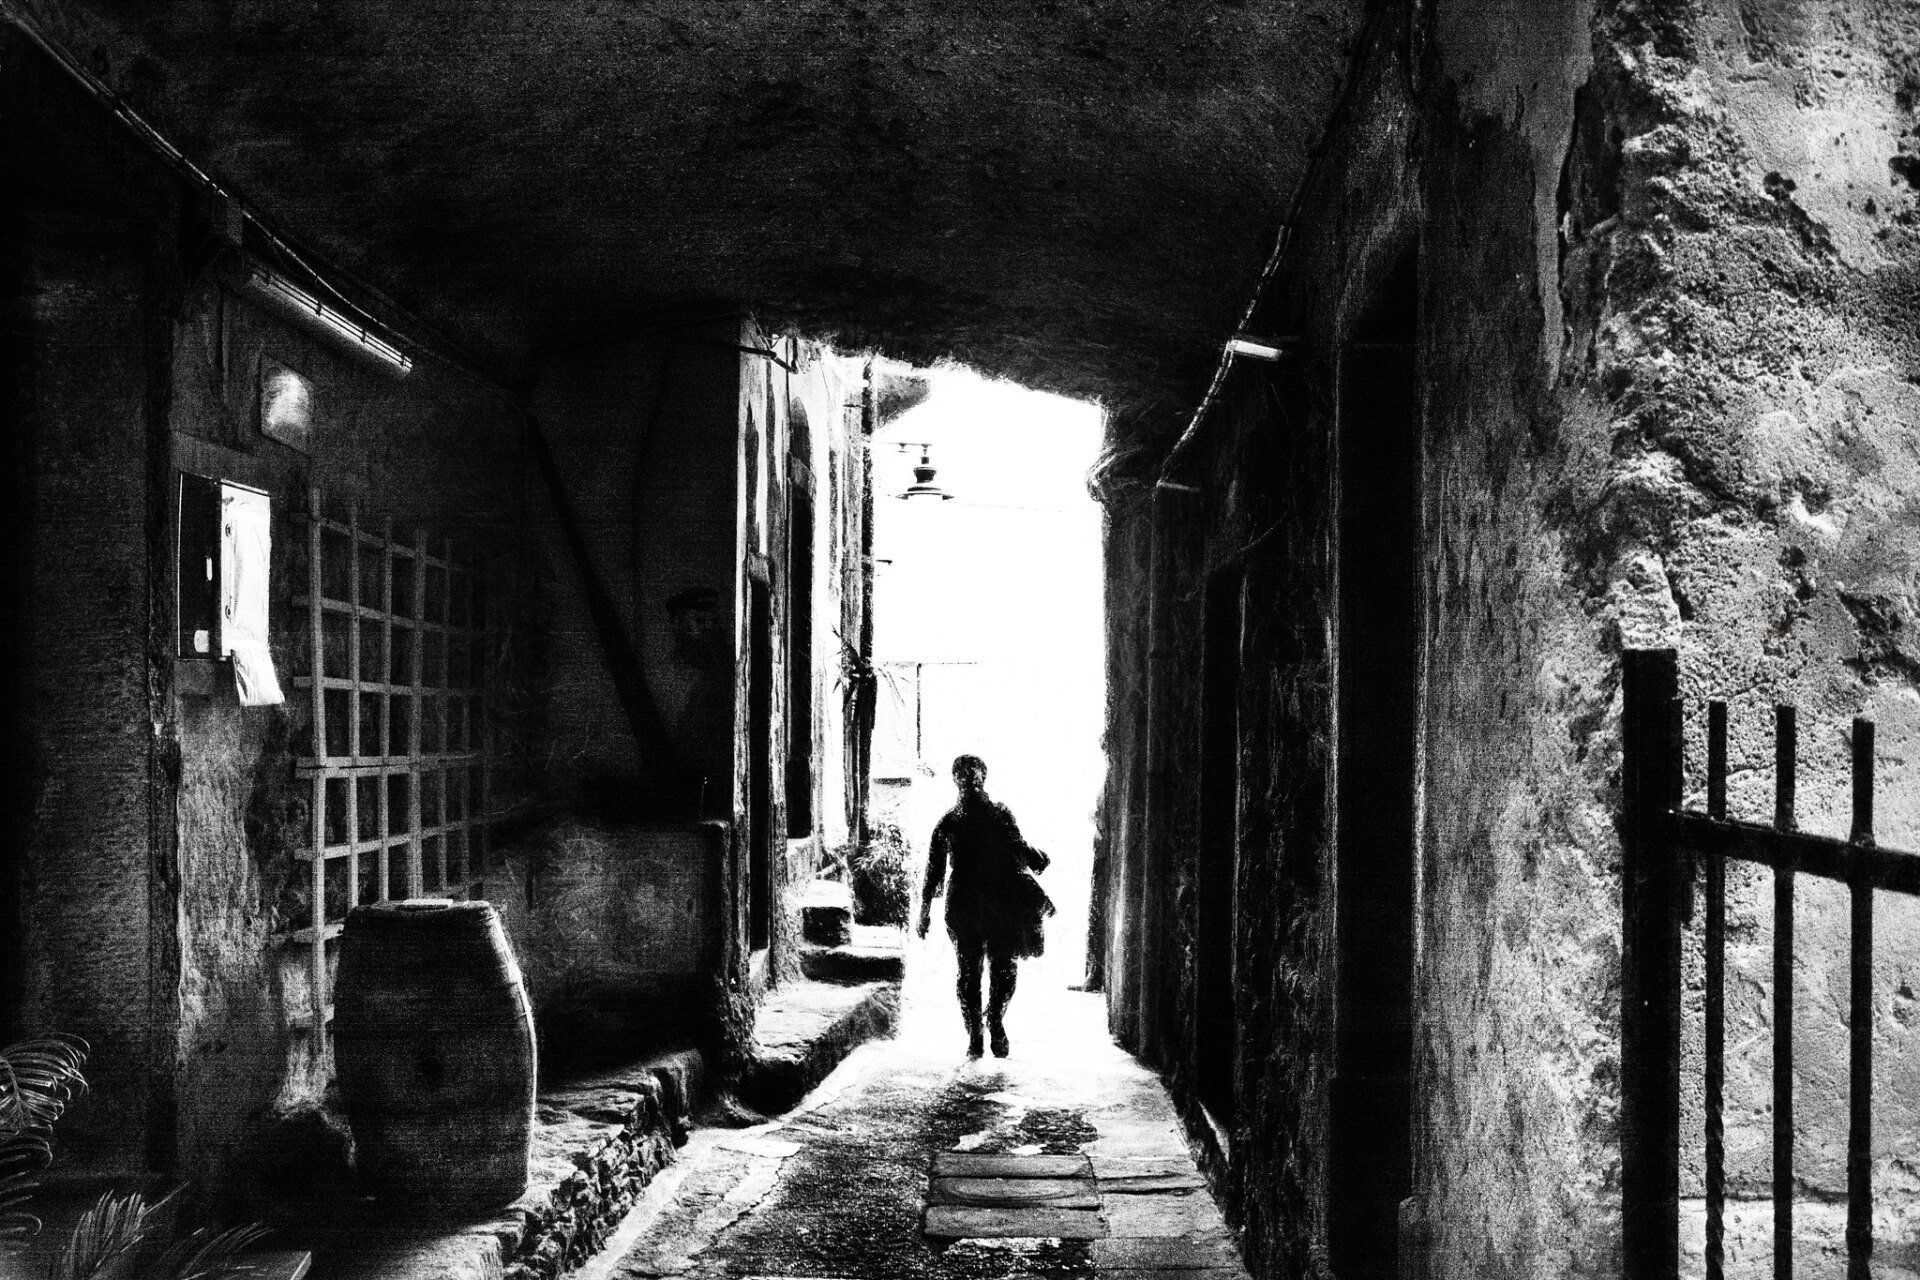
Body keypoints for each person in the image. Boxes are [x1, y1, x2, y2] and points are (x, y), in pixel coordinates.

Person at [917, 754, 1054, 1057]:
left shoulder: (953, 820)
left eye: (971, 777)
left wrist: (924, 913)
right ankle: (986, 1026)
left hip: (974, 904)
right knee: (993, 970)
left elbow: (934, 871)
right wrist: (1036, 858)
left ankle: (983, 1029)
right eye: (966, 777)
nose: (969, 782)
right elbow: (935, 868)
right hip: (987, 902)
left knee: (977, 972)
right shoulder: (986, 816)